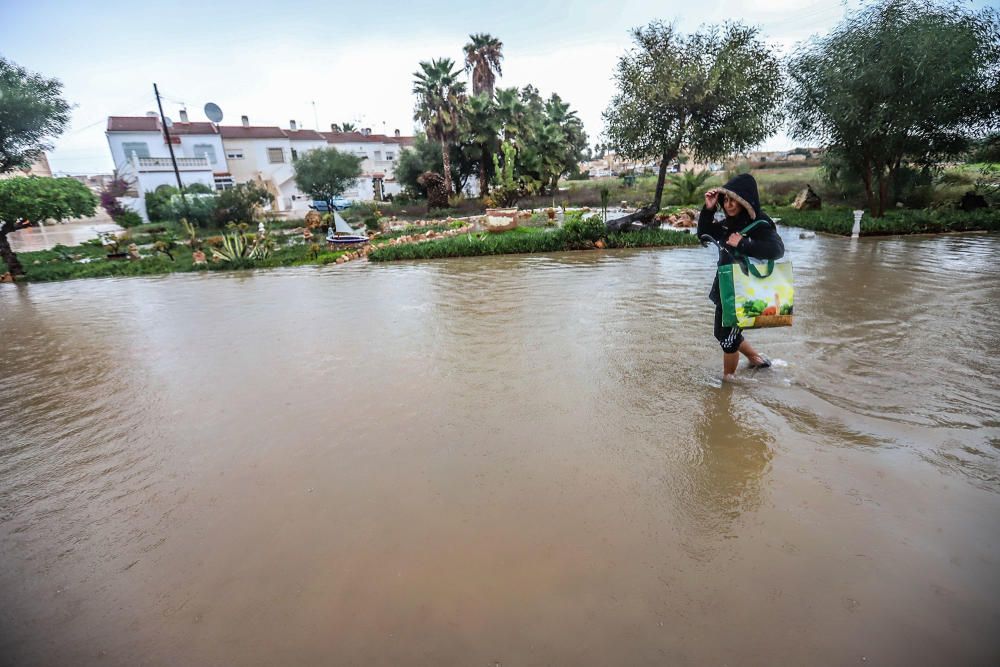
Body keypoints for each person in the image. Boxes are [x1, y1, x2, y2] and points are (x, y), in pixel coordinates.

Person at [698, 173, 785, 380]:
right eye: (725, 200)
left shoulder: (760, 223)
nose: (728, 205)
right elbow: (703, 233)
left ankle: (728, 382)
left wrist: (745, 244)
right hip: (726, 287)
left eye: (733, 201)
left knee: (728, 339)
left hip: (743, 291)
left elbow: (777, 250)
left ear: (746, 201)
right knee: (721, 334)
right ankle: (756, 358)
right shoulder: (729, 223)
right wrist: (709, 208)